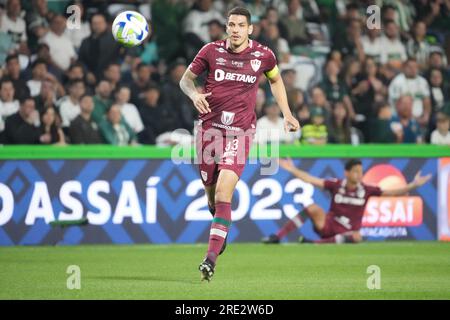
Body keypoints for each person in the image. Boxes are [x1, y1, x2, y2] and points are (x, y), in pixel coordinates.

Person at [179, 7, 299, 281]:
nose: (234, 29)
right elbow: (185, 80)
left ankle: (209, 260)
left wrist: (288, 113)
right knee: (211, 197)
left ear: (250, 29)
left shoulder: (264, 55)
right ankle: (220, 232)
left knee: (223, 193)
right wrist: (194, 94)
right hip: (209, 133)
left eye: (240, 25)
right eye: (231, 24)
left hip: (240, 133)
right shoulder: (210, 50)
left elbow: (276, 80)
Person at [262, 158, 431, 244]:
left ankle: (314, 244)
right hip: (328, 225)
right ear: (347, 173)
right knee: (312, 207)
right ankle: (277, 237)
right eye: (356, 172)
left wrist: (413, 185)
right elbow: (311, 179)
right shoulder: (336, 184)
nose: (359, 175)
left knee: (357, 237)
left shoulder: (366, 189)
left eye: (361, 171)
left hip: (348, 233)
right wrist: (293, 169)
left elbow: (392, 193)